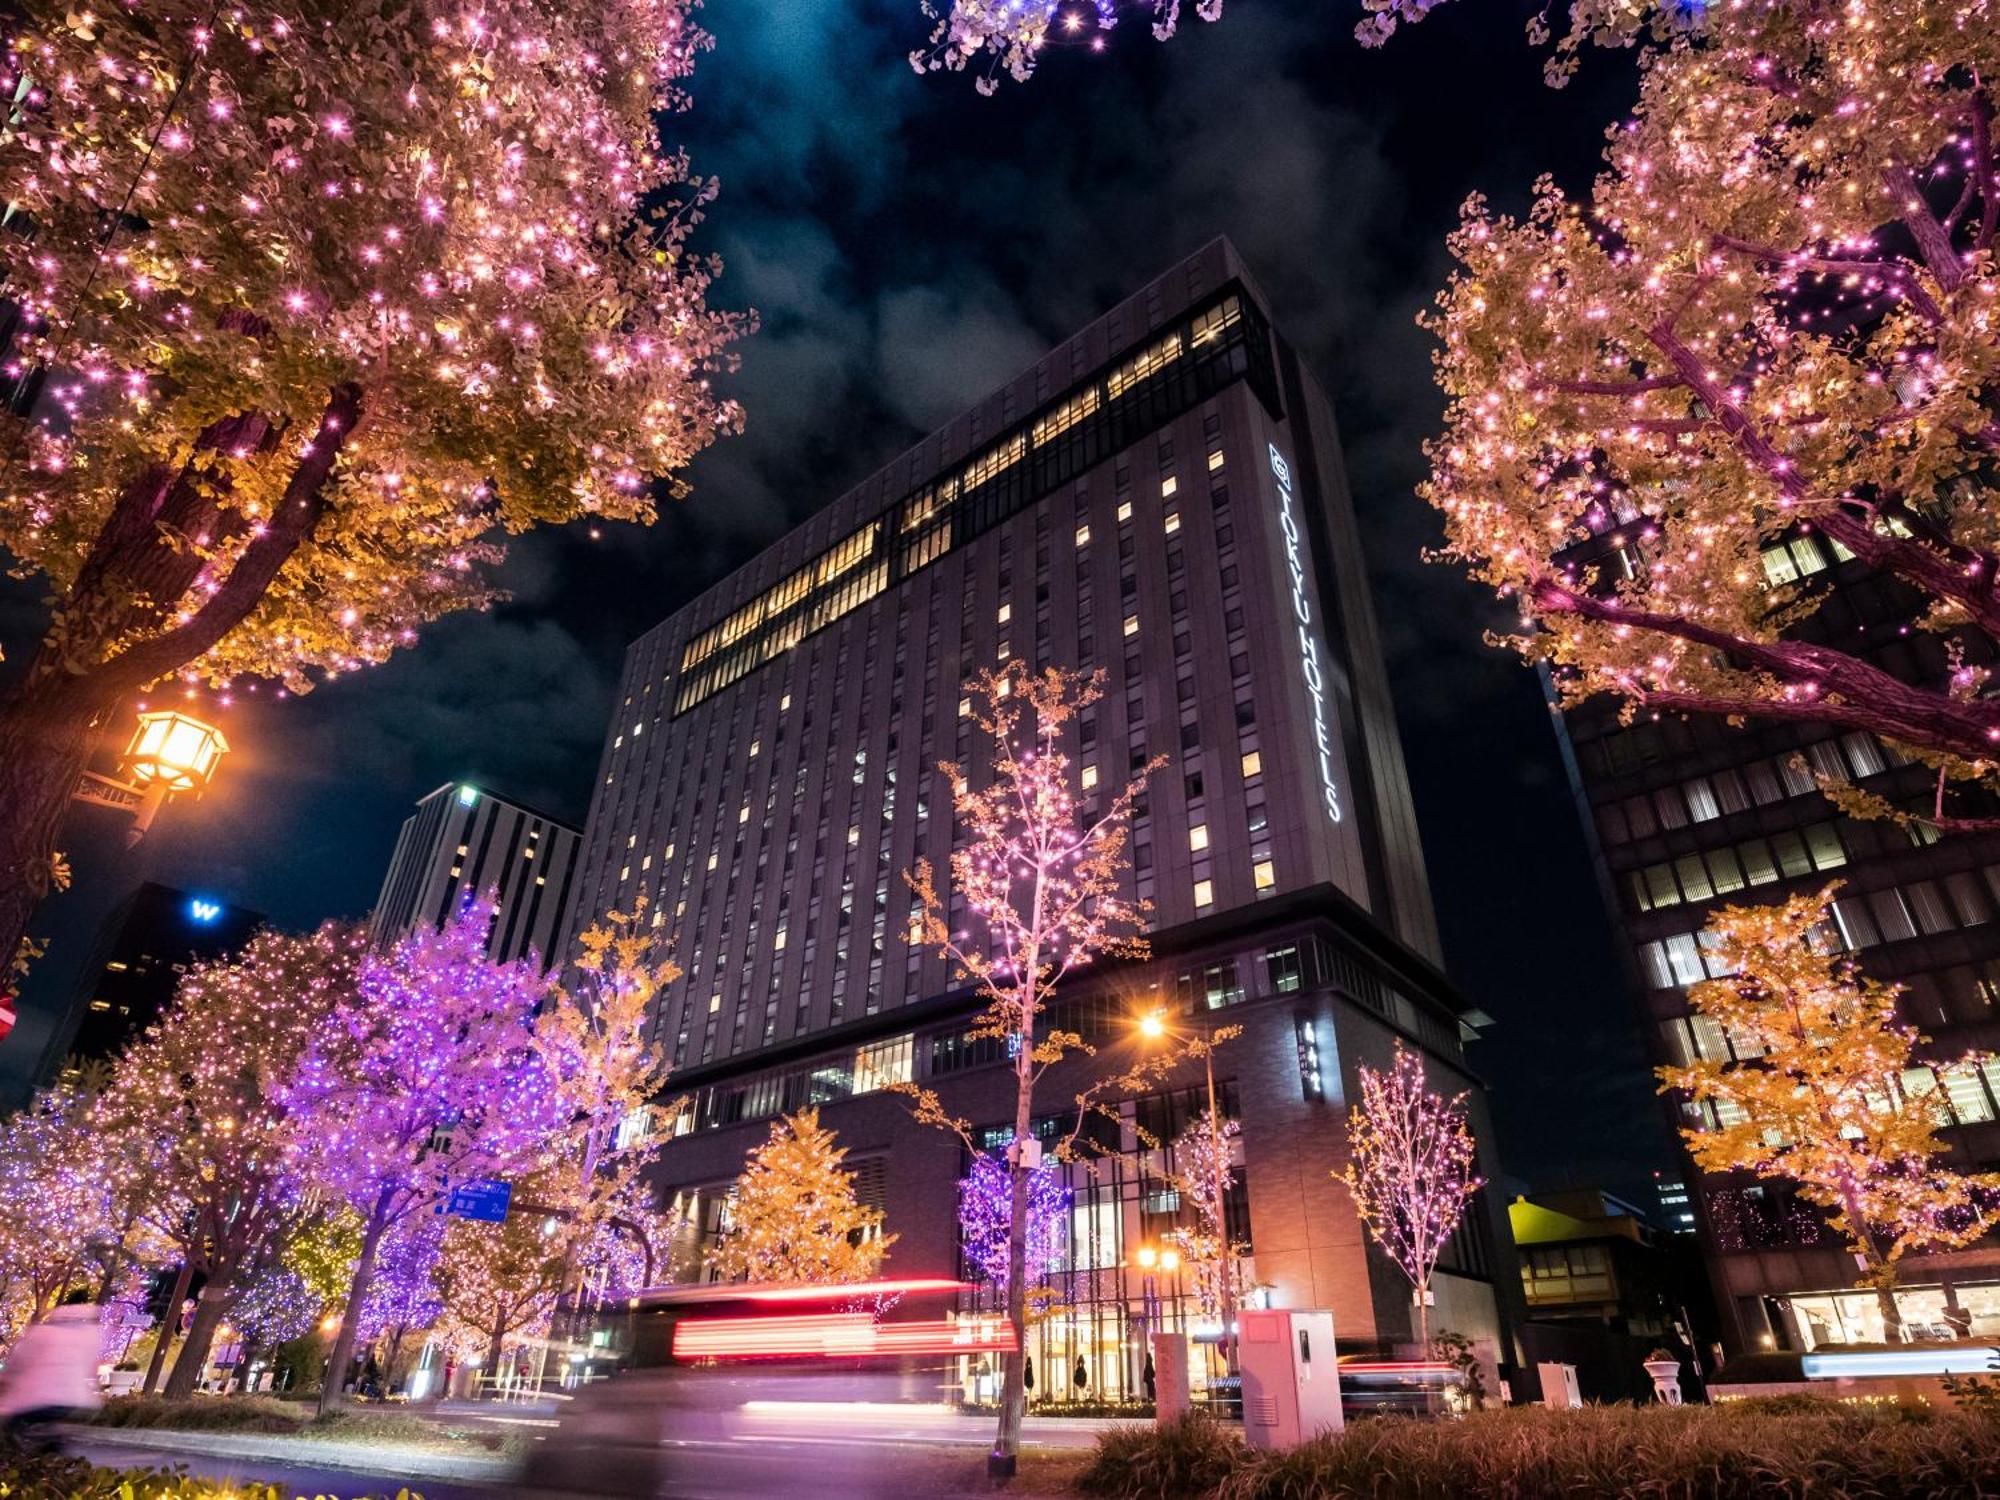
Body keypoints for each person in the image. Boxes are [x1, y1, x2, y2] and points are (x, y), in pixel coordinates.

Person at [0, 1291, 104, 1445]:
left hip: (36, 1397)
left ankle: (20, 1457)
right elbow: (91, 1365)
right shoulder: (92, 1335)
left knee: (11, 1424)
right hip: (73, 1399)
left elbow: (18, 1360)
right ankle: (51, 1448)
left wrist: (7, 1377)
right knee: (46, 1428)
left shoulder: (41, 1332)